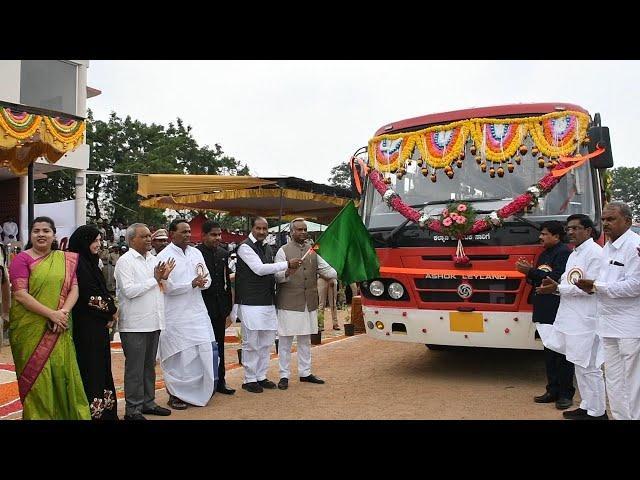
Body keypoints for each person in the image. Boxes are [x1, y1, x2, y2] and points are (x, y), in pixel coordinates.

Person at [8, 217, 90, 419]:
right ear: (31, 235)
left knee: (63, 373)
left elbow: (75, 289)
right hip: (31, 329)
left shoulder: (65, 259)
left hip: (60, 325)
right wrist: (51, 314)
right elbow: (20, 294)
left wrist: (62, 313)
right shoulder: (22, 259)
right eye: (36, 231)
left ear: (54, 235)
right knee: (38, 379)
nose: (41, 234)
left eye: (46, 230)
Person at [535, 215, 607, 420]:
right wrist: (558, 289)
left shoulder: (595, 253)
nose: (571, 232)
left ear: (588, 231)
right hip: (572, 317)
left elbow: (588, 287)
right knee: (579, 365)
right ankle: (587, 406)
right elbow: (570, 282)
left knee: (590, 367)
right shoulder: (575, 253)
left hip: (586, 319)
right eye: (569, 229)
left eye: (576, 228)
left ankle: (598, 412)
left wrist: (557, 289)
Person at [576, 202, 640, 420]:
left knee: (633, 381)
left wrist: (596, 286)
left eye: (611, 219)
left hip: (631, 326)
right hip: (608, 324)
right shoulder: (607, 248)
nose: (605, 224)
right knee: (614, 379)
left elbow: (636, 285)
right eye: (603, 219)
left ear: (627, 222)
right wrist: (592, 287)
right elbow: (604, 283)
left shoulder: (635, 246)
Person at [115, 223, 175, 420]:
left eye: (150, 236)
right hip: (134, 324)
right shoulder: (125, 261)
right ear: (132, 240)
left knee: (149, 366)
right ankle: (132, 410)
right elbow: (129, 291)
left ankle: (148, 403)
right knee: (134, 369)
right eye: (145, 236)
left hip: (154, 321)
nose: (150, 239)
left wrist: (164, 278)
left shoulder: (154, 259)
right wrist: (155, 279)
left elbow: (161, 288)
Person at [235, 217, 302, 393]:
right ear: (252, 228)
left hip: (267, 300)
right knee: (251, 343)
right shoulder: (244, 247)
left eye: (265, 229)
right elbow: (259, 269)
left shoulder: (266, 247)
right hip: (250, 302)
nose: (262, 232)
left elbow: (272, 273)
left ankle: (261, 376)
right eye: (259, 228)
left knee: (266, 342)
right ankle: (249, 379)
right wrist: (286, 263)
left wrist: (287, 272)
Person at [157, 219, 217, 409]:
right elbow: (165, 287)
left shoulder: (196, 252)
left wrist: (201, 283)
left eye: (189, 232)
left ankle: (199, 391)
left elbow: (207, 279)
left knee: (201, 352)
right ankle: (175, 394)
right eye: (183, 232)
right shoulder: (164, 256)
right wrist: (190, 284)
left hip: (197, 311)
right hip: (175, 315)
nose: (187, 235)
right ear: (171, 234)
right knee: (178, 356)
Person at [516, 220, 572, 410]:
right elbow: (536, 280)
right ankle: (552, 390)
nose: (540, 237)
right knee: (549, 351)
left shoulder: (564, 253)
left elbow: (555, 278)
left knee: (561, 353)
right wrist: (528, 273)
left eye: (545, 234)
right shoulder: (544, 253)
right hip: (543, 308)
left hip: (556, 309)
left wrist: (530, 271)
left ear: (556, 236)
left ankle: (565, 394)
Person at [274, 218, 336, 390]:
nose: (302, 232)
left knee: (305, 339)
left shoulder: (313, 250)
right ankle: (284, 375)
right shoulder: (283, 250)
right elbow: (277, 276)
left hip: (309, 302)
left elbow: (328, 270)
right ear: (292, 232)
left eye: (304, 229)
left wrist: (338, 265)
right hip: (288, 302)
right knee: (285, 340)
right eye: (299, 230)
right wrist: (288, 270)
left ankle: (305, 373)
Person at [68, 225, 119, 420]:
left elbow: (103, 291)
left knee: (102, 367)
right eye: (95, 240)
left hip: (97, 326)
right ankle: (93, 414)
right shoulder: (78, 263)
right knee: (91, 368)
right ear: (84, 241)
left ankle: (105, 412)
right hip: (86, 327)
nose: (99, 244)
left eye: (100, 240)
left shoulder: (90, 262)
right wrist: (112, 311)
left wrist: (108, 315)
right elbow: (87, 297)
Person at [197, 220, 235, 395]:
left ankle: (220, 382)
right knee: (202, 348)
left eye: (219, 234)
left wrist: (228, 309)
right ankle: (204, 384)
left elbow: (226, 282)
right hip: (201, 309)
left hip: (220, 309)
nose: (217, 238)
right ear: (203, 235)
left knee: (219, 346)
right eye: (213, 234)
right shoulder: (195, 254)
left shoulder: (223, 253)